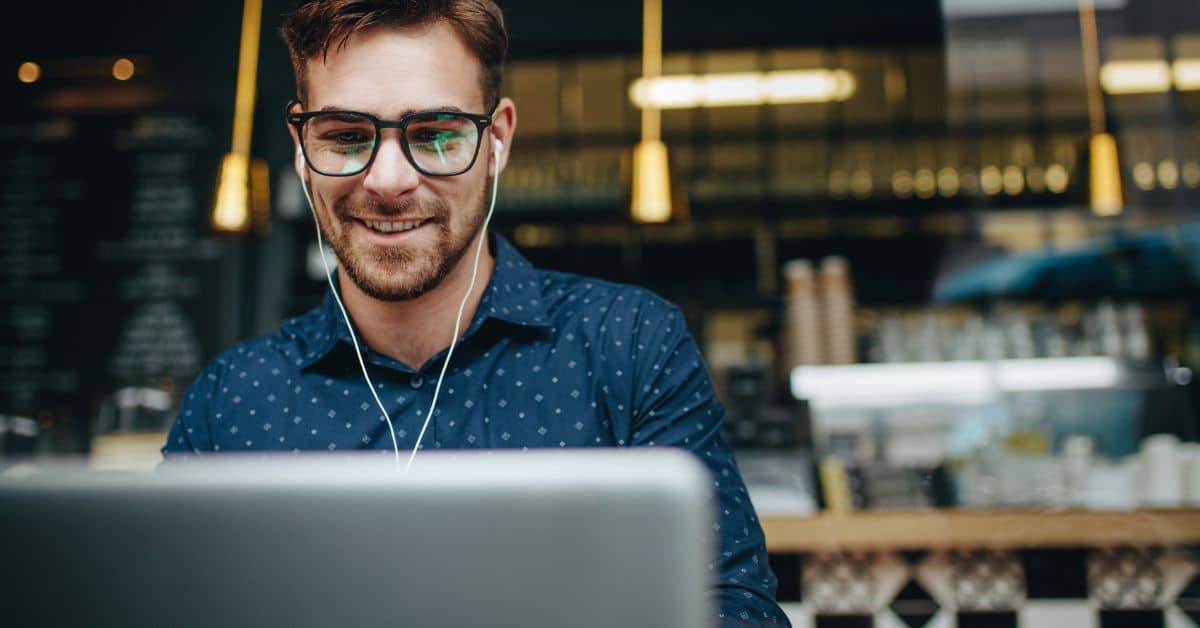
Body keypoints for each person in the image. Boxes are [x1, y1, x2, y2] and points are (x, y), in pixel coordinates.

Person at [163, 1, 788, 625]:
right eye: (346, 136)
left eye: (435, 134)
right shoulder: (231, 401)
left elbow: (737, 608)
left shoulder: (628, 346)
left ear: (497, 142)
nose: (387, 181)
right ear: (301, 144)